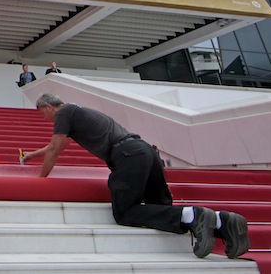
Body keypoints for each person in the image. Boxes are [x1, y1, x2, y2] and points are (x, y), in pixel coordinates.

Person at [20, 93, 250, 259]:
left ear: (48, 107)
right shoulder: (77, 113)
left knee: (126, 212)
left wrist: (41, 179)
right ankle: (223, 222)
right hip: (145, 152)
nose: (45, 119)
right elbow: (61, 146)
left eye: (42, 114)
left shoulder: (64, 112)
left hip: (127, 155)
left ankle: (195, 215)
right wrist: (31, 155)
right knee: (159, 209)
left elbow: (55, 146)